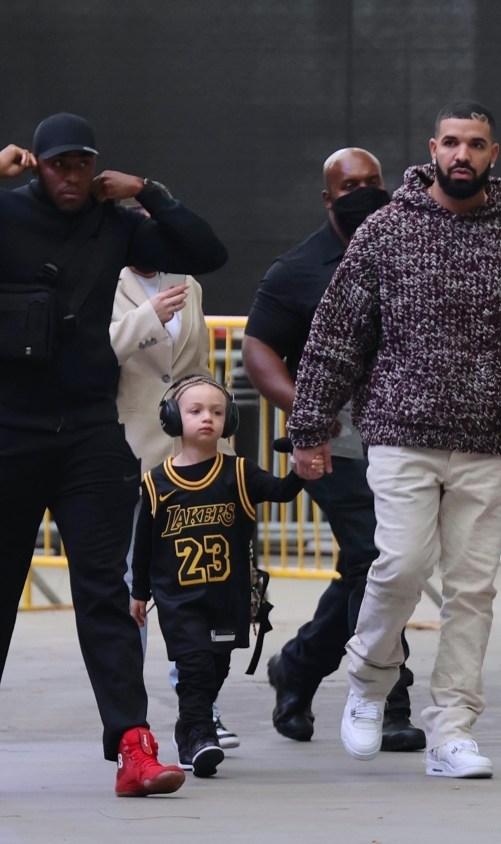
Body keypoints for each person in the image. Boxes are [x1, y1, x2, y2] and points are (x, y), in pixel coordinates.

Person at [287, 101, 501, 779]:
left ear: (493, 154)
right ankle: (368, 680)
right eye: (452, 142)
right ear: (432, 148)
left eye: (475, 144)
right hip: (399, 432)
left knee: (473, 590)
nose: (462, 155)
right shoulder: (385, 232)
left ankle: (453, 728)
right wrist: (310, 427)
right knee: (399, 567)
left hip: (489, 441)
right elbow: (337, 335)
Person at [0, 113, 228, 796]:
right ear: (37, 165)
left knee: (105, 591)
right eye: (57, 164)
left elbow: (205, 250)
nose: (70, 177)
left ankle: (134, 744)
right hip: (10, 428)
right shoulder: (6, 214)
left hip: (92, 433)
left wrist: (148, 191)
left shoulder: (116, 221)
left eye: (81, 164)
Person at [242, 147, 425, 752]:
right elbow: (259, 352)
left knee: (371, 566)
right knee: (381, 557)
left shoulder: (412, 246)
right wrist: (308, 413)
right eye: (351, 185)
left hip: (406, 436)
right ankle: (390, 700)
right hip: (334, 443)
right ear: (328, 197)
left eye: (374, 182)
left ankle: (298, 665)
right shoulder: (297, 269)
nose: (365, 192)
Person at [129, 375, 323, 776]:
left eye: (217, 412)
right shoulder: (156, 483)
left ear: (229, 419)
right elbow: (144, 545)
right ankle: (201, 735)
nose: (207, 419)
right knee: (195, 665)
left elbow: (283, 491)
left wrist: (301, 467)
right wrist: (138, 593)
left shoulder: (239, 473)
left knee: (216, 667)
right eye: (195, 411)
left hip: (226, 596)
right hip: (178, 599)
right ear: (170, 418)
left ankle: (188, 730)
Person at [111, 251, 239, 750]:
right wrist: (150, 317)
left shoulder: (188, 281)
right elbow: (103, 350)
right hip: (129, 446)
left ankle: (199, 708)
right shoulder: (108, 279)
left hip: (193, 452)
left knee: (201, 579)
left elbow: (196, 364)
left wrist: (215, 434)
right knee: (132, 584)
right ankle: (129, 716)